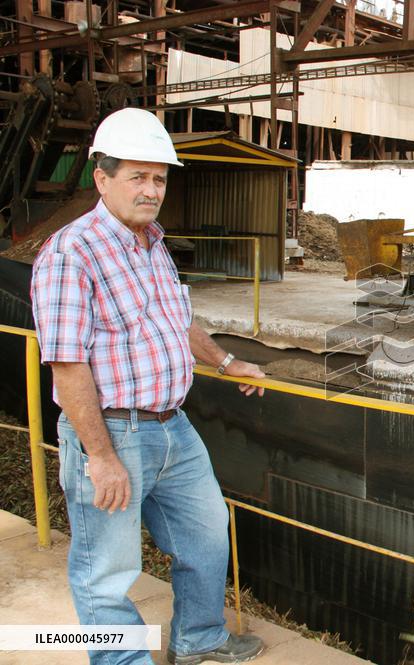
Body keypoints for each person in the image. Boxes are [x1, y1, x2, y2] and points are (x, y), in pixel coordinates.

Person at [31, 107, 267, 665]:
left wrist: (226, 360)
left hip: (172, 429)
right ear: (102, 177)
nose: (151, 189)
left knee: (208, 533)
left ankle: (199, 640)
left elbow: (176, 322)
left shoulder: (152, 244)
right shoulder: (71, 253)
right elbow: (66, 365)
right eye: (137, 176)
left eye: (159, 178)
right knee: (107, 568)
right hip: (112, 432)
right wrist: (101, 455)